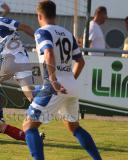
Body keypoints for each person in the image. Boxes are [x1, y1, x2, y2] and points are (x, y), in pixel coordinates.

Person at [22, 1, 102, 160]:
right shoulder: (67, 33)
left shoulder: (41, 32)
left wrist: (53, 80)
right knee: (74, 127)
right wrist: (69, 81)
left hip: (54, 86)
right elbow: (81, 62)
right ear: (55, 14)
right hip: (71, 85)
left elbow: (49, 53)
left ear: (39, 15)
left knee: (28, 126)